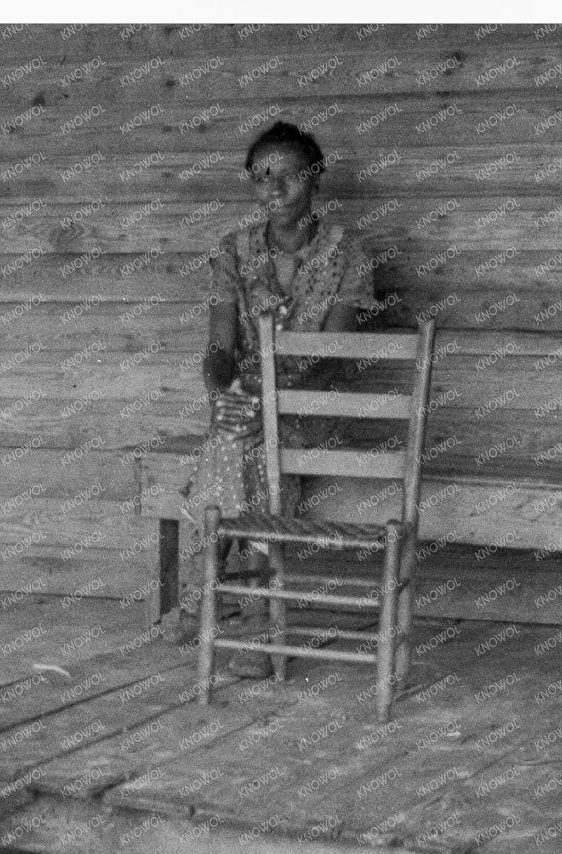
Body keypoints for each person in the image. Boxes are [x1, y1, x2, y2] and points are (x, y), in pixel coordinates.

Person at [176, 119, 376, 653]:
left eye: (289, 175)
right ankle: (256, 609)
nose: (276, 189)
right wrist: (225, 393)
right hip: (246, 410)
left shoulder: (347, 252)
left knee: (262, 444)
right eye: (262, 177)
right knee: (235, 438)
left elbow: (333, 358)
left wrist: (273, 405)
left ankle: (212, 598)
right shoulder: (233, 250)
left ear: (316, 179)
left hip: (315, 408)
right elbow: (219, 350)